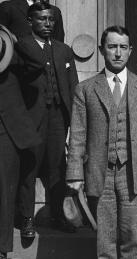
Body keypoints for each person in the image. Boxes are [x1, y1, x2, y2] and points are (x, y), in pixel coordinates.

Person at [66, 25, 137, 258]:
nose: (118, 53)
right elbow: (77, 133)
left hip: (134, 174)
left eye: (123, 47)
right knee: (105, 241)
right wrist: (75, 173)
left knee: (131, 239)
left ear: (130, 51)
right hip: (100, 172)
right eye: (112, 47)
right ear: (101, 50)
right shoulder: (85, 89)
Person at [13, 1, 78, 238]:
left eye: (51, 19)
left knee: (56, 169)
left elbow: (73, 87)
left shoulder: (63, 50)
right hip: (31, 119)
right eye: (42, 19)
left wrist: (75, 120)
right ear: (30, 21)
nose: (48, 23)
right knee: (29, 168)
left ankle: (57, 215)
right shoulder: (21, 47)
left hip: (58, 118)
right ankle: (26, 219)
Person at [0, 24, 41, 259]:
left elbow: (37, 63)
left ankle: (1, 249)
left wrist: (17, 42)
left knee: (4, 193)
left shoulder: (15, 66)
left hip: (7, 135)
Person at [0, 0, 65, 42]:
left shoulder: (55, 11)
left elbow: (59, 40)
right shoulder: (8, 7)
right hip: (18, 61)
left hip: (46, 61)